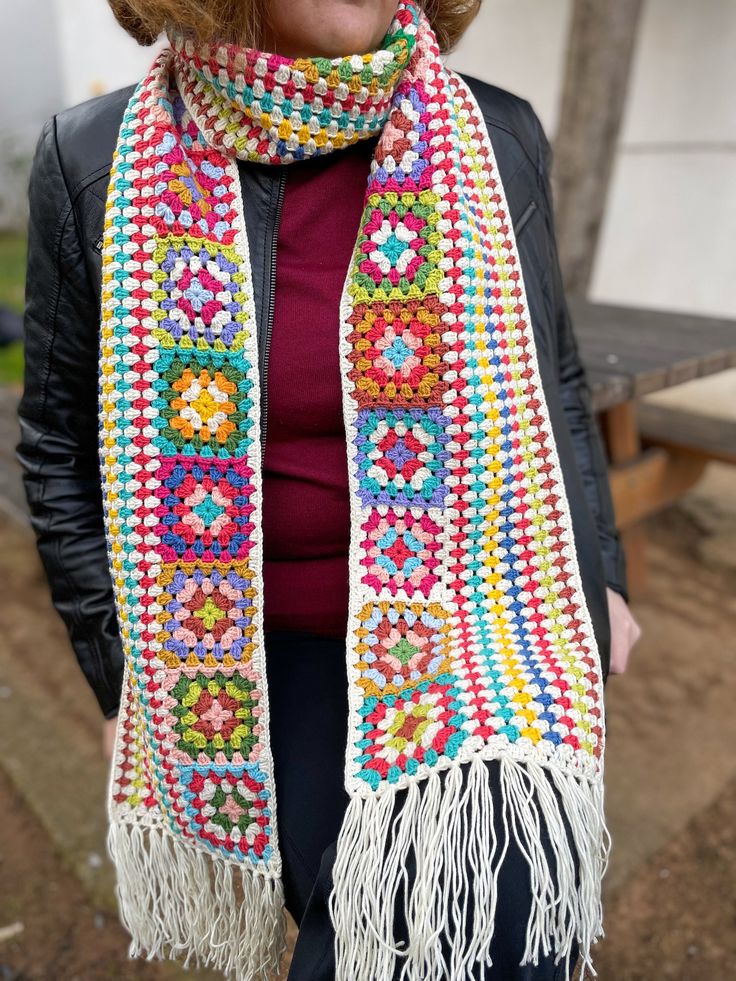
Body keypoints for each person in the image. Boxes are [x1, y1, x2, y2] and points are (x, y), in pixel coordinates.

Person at [16, 1, 641, 978]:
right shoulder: (92, 160)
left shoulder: (495, 134)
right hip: (248, 661)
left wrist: (599, 575)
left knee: (494, 929)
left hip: (481, 629)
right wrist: (120, 680)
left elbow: (552, 380)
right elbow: (56, 439)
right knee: (344, 924)